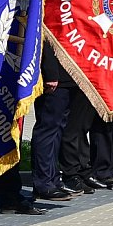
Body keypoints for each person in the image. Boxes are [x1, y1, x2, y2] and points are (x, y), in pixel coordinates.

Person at [30, 41, 80, 201]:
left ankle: (53, 179)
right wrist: (50, 72)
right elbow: (45, 37)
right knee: (48, 129)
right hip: (54, 76)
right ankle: (43, 183)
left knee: (58, 129)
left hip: (68, 74)